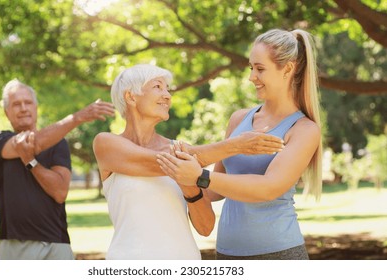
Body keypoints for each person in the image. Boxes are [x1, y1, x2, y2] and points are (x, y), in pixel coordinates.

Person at [157, 28, 322, 260]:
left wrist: (199, 175)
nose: (251, 77)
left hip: (278, 254)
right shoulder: (239, 119)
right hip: (226, 252)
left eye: (260, 69)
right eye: (251, 68)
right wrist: (182, 174)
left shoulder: (304, 129)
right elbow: (215, 191)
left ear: (287, 68)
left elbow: (268, 188)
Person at [92, 64, 285, 260]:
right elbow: (162, 163)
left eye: (168, 89)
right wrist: (236, 145)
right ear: (131, 97)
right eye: (158, 87)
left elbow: (205, 227)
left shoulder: (181, 149)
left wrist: (190, 187)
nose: (167, 95)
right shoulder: (106, 144)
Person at [0, 79, 114, 260]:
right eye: (16, 104)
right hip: (13, 245)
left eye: (28, 102)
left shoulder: (58, 143)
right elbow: (33, 142)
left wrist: (31, 162)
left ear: (36, 108)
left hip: (56, 245)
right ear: (6, 112)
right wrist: (77, 118)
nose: (23, 108)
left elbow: (60, 192)